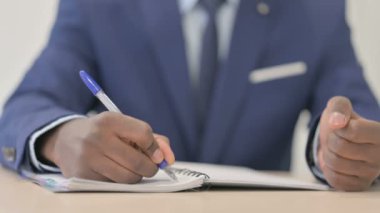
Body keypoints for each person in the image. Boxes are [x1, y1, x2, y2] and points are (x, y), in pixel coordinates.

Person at [0, 0, 380, 191]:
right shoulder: (97, 7)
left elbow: (359, 117)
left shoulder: (316, 10)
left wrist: (342, 148)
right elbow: (25, 107)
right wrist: (61, 138)